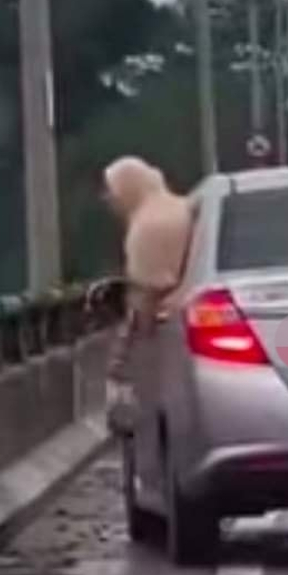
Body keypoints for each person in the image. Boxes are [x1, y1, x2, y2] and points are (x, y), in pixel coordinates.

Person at [101, 156, 195, 431]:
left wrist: (123, 359)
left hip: (166, 329)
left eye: (112, 190)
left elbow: (146, 294)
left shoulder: (146, 228)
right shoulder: (183, 207)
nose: (109, 199)